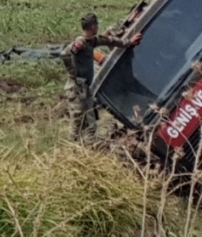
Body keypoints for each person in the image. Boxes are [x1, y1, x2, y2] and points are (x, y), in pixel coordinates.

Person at [61, 13, 142, 144]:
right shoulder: (81, 42)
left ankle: (86, 147)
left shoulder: (92, 40)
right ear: (93, 26)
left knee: (89, 120)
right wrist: (73, 73)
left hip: (85, 88)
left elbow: (109, 40)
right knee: (78, 120)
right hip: (77, 88)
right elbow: (65, 54)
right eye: (97, 25)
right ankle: (72, 146)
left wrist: (129, 42)